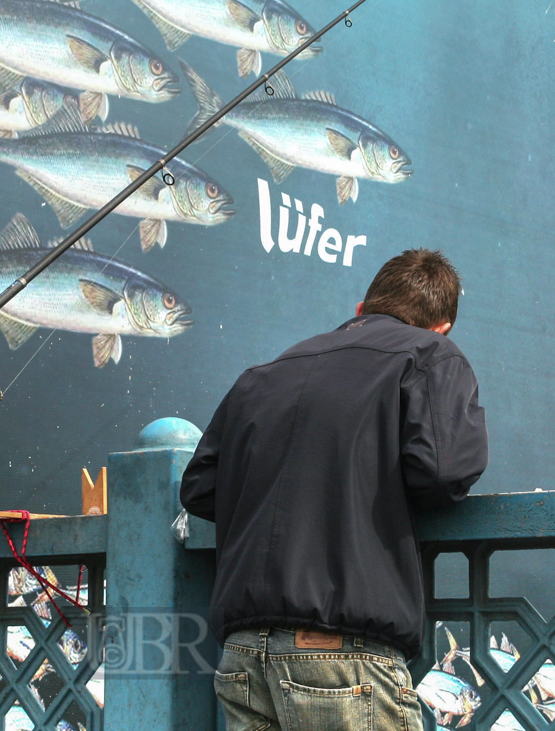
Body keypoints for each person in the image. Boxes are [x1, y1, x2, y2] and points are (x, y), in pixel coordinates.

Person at [180, 248, 489, 731]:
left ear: (361, 310)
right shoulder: (431, 355)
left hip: (242, 653)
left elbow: (199, 489)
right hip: (339, 653)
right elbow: (445, 471)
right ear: (442, 326)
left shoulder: (264, 374)